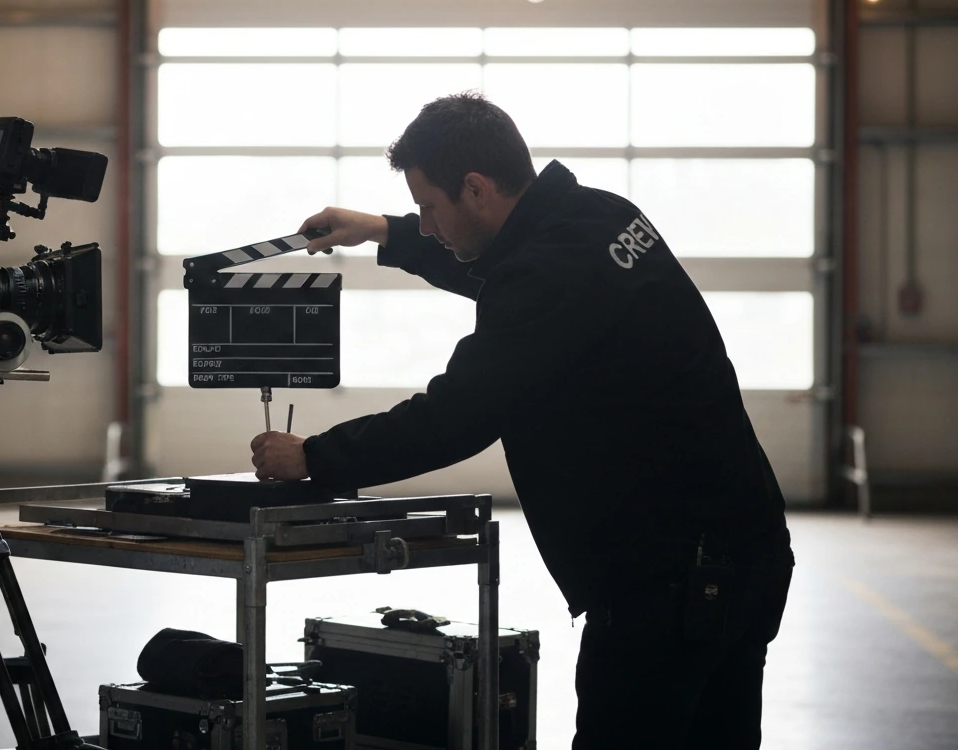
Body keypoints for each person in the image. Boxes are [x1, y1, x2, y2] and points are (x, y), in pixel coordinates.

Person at [249, 92, 794, 750]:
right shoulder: (597, 216)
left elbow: (455, 416)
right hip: (745, 556)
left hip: (672, 590)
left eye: (428, 206)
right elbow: (505, 270)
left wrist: (314, 456)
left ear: (475, 188)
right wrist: (385, 232)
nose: (427, 224)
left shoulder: (546, 276)